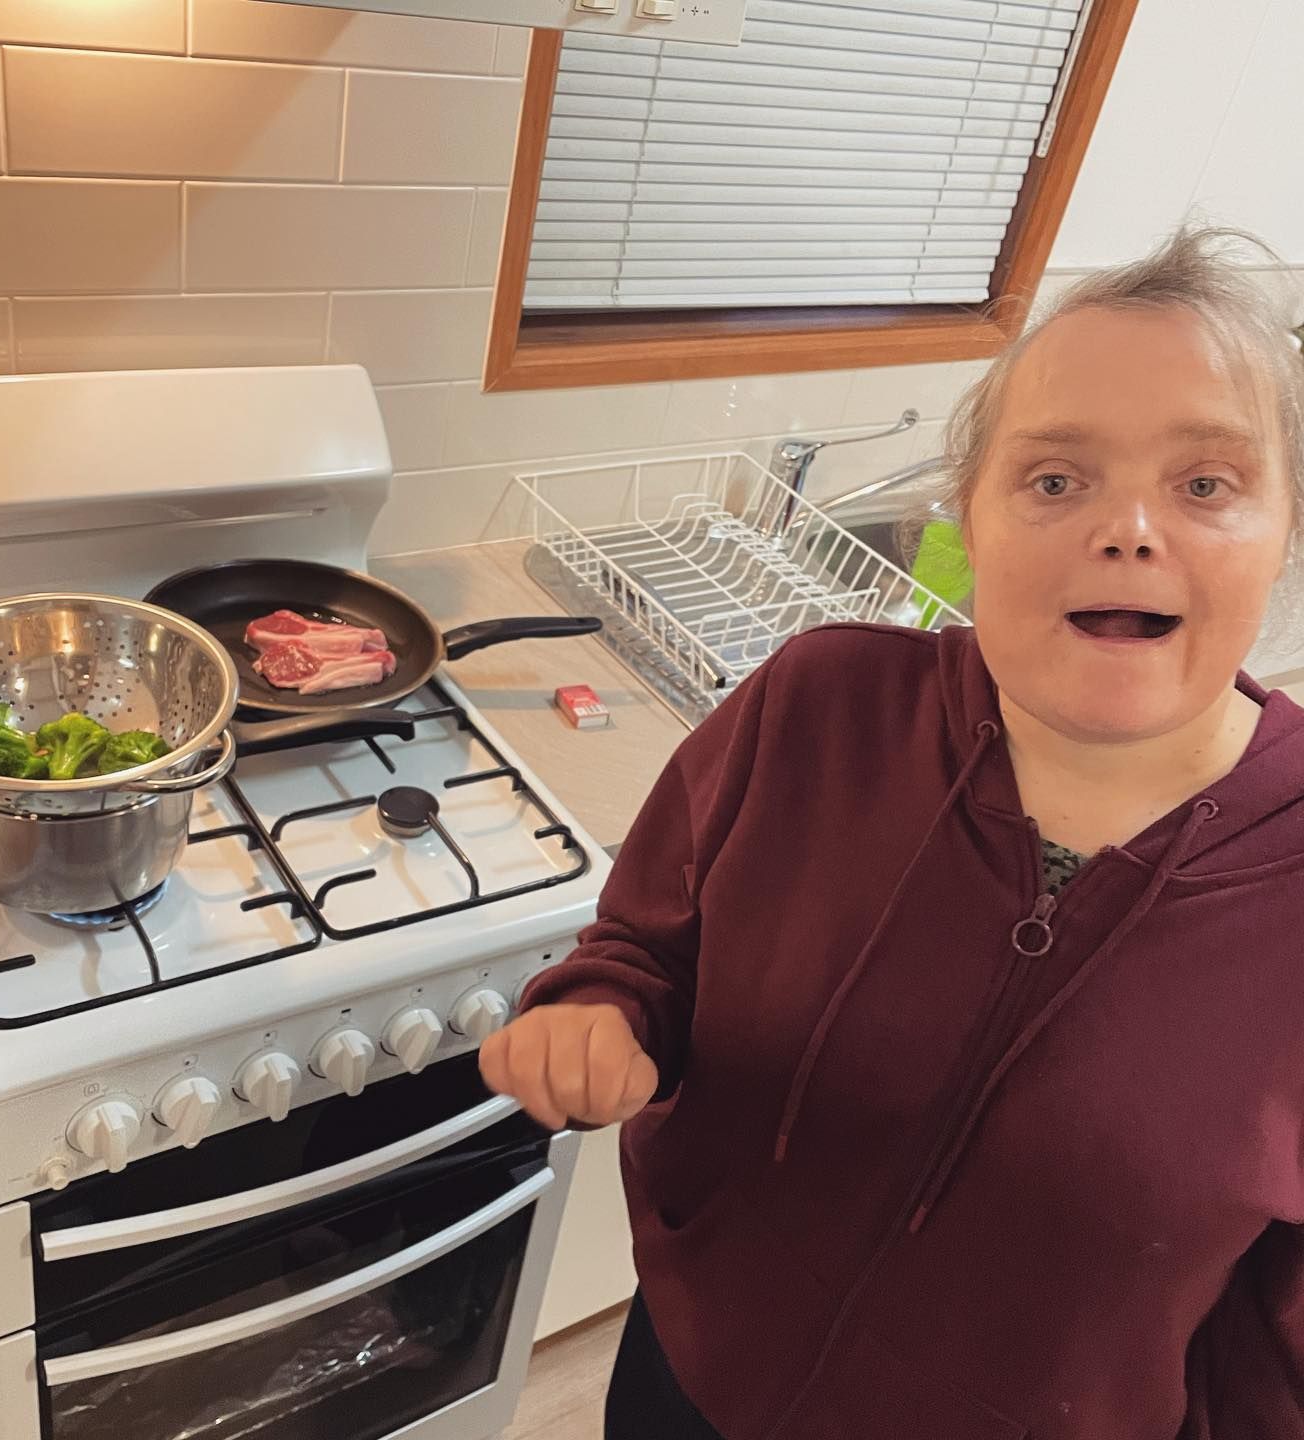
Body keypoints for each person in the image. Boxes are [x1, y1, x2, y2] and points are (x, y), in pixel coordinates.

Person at [479, 226, 1304, 1440]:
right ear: (968, 516)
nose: (1129, 530)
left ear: (1285, 530)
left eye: (1206, 484)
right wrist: (595, 1013)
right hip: (690, 1386)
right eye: (1056, 479)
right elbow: (647, 946)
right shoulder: (817, 708)